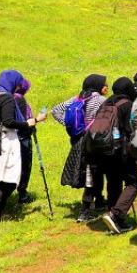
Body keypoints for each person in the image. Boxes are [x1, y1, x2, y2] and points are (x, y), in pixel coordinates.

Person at [0, 70, 46, 222]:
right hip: (4, 142)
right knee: (11, 179)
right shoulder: (7, 98)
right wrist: (30, 122)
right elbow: (8, 121)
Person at [52, 74, 109, 222]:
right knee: (92, 172)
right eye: (105, 84)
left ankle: (99, 200)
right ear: (98, 85)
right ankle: (85, 211)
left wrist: (70, 125)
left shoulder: (78, 98)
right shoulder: (101, 100)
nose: (107, 87)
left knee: (94, 170)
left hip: (77, 141)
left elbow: (55, 110)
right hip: (93, 142)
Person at [101, 77, 137, 235]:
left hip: (105, 151)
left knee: (113, 182)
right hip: (122, 151)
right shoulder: (127, 105)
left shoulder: (106, 103)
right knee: (133, 182)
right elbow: (132, 130)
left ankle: (113, 218)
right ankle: (116, 215)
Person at [14, 78, 35, 204]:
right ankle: (22, 193)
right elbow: (25, 120)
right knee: (25, 166)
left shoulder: (6, 97)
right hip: (22, 137)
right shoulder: (19, 99)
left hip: (8, 137)